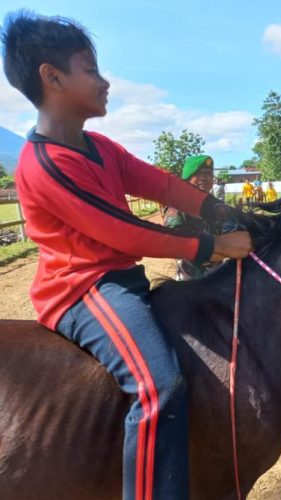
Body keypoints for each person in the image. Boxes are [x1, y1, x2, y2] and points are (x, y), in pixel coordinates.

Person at [2, 12, 253, 499]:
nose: (105, 80)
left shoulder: (99, 147)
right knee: (160, 388)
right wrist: (213, 244)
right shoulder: (45, 164)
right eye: (90, 69)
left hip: (119, 279)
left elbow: (156, 182)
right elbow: (123, 233)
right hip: (84, 290)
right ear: (51, 77)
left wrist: (219, 209)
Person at [162, 155, 221, 281]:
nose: (205, 178)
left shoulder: (216, 206)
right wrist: (220, 251)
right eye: (199, 174)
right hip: (191, 278)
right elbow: (175, 246)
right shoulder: (177, 207)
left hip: (220, 274)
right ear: (187, 179)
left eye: (208, 174)